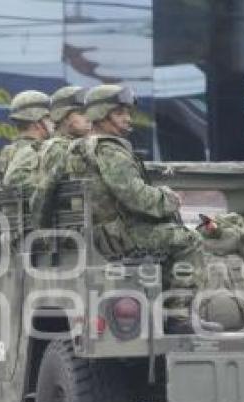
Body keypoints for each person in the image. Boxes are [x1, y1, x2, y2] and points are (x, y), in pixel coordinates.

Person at [67, 84, 218, 333]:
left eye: (127, 112)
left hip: (107, 233)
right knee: (188, 240)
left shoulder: (81, 148)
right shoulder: (109, 150)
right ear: (101, 115)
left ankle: (166, 309)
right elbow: (134, 196)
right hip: (123, 236)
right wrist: (168, 198)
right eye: (119, 113)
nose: (128, 118)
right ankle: (177, 315)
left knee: (171, 236)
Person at [30, 86, 90, 227]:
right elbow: (42, 195)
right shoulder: (58, 148)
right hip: (72, 229)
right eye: (82, 113)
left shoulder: (80, 145)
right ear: (64, 117)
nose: (89, 118)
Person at [0, 90, 52, 184]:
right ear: (38, 123)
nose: (53, 122)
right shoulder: (46, 150)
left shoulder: (7, 152)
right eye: (48, 118)